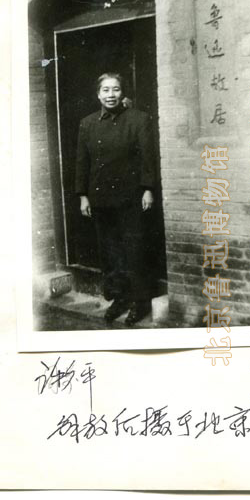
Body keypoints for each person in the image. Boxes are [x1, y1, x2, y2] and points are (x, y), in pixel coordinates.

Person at [75, 72, 155, 326]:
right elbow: (82, 162)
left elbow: (147, 157)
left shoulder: (138, 119)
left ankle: (140, 302)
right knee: (111, 253)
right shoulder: (88, 123)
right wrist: (83, 195)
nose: (111, 95)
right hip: (100, 199)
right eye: (106, 90)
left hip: (131, 198)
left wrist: (148, 189)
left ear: (123, 92)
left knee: (134, 251)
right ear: (98, 94)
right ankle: (120, 298)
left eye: (116, 89)